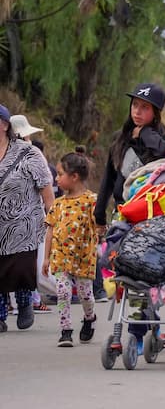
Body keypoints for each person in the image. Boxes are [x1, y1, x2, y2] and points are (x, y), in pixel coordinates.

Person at [95, 83, 165, 305]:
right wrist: (99, 217)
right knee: (126, 273)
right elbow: (108, 180)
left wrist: (145, 133)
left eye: (145, 107)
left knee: (147, 274)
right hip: (123, 215)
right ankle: (137, 329)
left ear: (156, 113)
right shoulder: (119, 140)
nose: (137, 112)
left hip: (154, 219)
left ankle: (144, 326)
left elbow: (164, 151)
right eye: (134, 105)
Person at [0, 104, 54, 332]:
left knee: (21, 269)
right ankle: (0, 314)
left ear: (4, 125)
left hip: (24, 224)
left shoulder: (28, 152)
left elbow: (46, 188)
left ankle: (24, 304)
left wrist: (54, 219)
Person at [41, 147, 98, 347]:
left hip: (83, 258)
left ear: (74, 177)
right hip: (60, 258)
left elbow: (99, 227)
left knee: (85, 295)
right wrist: (47, 258)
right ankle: (66, 330)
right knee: (63, 292)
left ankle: (89, 317)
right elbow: (50, 231)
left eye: (60, 174)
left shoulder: (92, 201)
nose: (56, 179)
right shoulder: (58, 204)